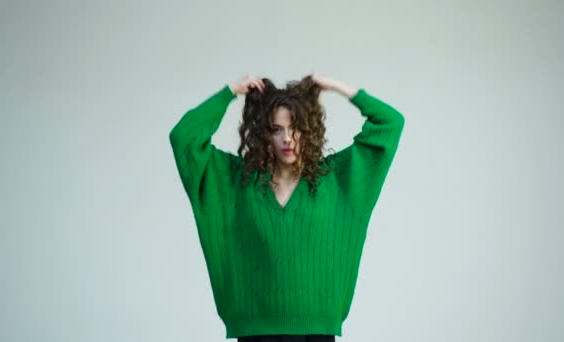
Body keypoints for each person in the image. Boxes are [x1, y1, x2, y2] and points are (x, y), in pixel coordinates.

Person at [168, 73, 405, 341]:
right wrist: (230, 93)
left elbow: (391, 123)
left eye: (296, 128)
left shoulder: (336, 179)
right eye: (276, 129)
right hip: (256, 333)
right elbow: (183, 137)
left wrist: (339, 88)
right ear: (263, 134)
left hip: (316, 333)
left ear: (310, 130)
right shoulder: (237, 181)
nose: (287, 139)